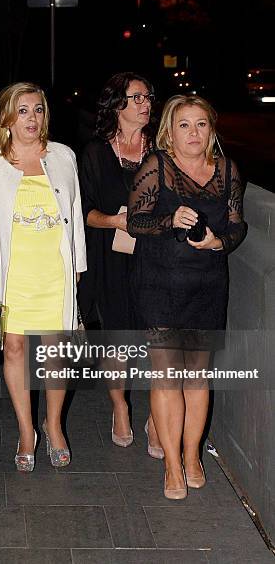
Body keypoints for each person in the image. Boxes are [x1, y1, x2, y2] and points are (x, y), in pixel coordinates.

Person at [127, 94, 247, 499]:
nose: (193, 133)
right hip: (159, 284)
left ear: (211, 130)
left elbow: (237, 224)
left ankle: (193, 456)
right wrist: (169, 219)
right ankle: (172, 466)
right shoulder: (156, 167)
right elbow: (136, 220)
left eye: (201, 124)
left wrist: (219, 242)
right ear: (169, 131)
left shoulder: (228, 169)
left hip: (207, 285)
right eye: (184, 125)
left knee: (197, 378)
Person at [0, 82, 86, 471]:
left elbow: (74, 214)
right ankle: (27, 430)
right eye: (23, 110)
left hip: (54, 269)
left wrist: (78, 266)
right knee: (15, 350)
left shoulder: (62, 156)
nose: (32, 118)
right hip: (14, 272)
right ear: (8, 117)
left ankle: (54, 425)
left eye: (38, 110)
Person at [78, 72, 163, 456]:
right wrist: (115, 220)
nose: (146, 103)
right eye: (138, 97)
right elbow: (83, 212)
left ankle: (157, 417)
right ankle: (120, 407)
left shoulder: (162, 148)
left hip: (158, 259)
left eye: (148, 97)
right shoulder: (95, 152)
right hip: (111, 258)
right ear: (118, 105)